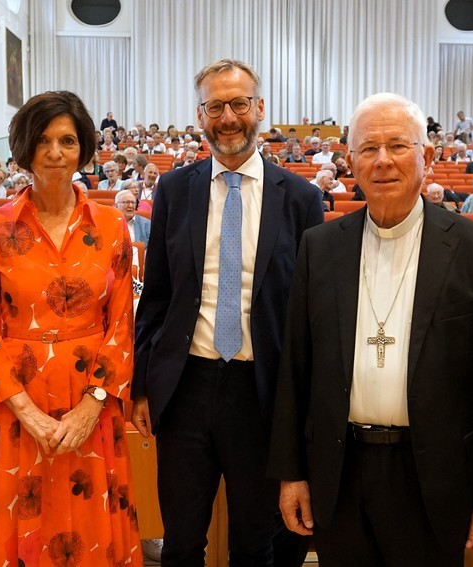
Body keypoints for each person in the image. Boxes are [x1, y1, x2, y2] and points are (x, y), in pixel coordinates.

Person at [270, 91, 473, 565]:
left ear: (426, 156)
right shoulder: (319, 247)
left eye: (398, 146)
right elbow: (295, 369)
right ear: (350, 160)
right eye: (368, 148)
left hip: (434, 475)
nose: (382, 160)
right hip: (339, 470)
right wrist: (291, 473)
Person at [132, 59, 324, 566]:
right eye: (215, 105)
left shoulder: (301, 198)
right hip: (185, 387)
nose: (228, 116)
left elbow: (310, 312)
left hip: (262, 394)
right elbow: (156, 297)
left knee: (255, 541)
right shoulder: (174, 189)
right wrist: (143, 385)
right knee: (180, 541)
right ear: (200, 115)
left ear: (260, 108)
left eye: (239, 103)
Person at [0, 91, 142, 566]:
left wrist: (91, 406)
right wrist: (27, 412)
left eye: (67, 140)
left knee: (89, 530)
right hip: (15, 406)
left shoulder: (111, 226)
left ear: (83, 146)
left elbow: (121, 323)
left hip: (92, 403)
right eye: (42, 140)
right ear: (24, 148)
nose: (55, 153)